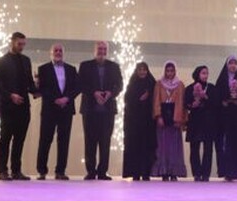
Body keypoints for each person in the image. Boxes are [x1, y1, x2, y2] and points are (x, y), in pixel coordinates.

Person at [0, 31, 36, 181]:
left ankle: (16, 170)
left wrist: (38, 88)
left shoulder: (26, 60)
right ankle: (3, 170)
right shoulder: (0, 62)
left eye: (23, 44)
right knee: (5, 138)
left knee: (19, 140)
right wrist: (11, 96)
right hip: (8, 107)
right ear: (11, 42)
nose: (21, 47)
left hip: (23, 106)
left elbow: (29, 83)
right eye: (19, 44)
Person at [78, 41, 124, 180]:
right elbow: (81, 84)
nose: (102, 51)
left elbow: (120, 85)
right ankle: (91, 171)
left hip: (108, 110)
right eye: (100, 48)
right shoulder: (85, 65)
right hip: (90, 109)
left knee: (105, 142)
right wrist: (94, 93)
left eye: (104, 49)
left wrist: (110, 93)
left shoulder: (114, 66)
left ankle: (103, 171)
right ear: (94, 50)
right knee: (89, 141)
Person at [36, 43, 79, 180]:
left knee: (64, 141)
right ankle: (42, 171)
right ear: (51, 53)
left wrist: (66, 98)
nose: (58, 52)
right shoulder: (43, 69)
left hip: (66, 109)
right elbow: (42, 89)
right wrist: (55, 99)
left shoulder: (71, 69)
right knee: (45, 140)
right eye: (56, 50)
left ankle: (60, 171)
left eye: (60, 50)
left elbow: (76, 87)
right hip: (50, 109)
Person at [214, 55, 237, 182]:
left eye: (235, 63)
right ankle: (228, 172)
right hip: (225, 119)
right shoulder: (221, 80)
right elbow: (217, 96)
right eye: (231, 63)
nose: (233, 65)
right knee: (227, 145)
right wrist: (224, 101)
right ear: (227, 65)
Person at [121, 62, 157, 181]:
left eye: (144, 69)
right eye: (140, 70)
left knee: (147, 147)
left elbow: (156, 101)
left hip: (148, 123)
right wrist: (138, 99)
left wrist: (149, 96)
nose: (142, 72)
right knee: (134, 147)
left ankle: (146, 172)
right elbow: (127, 100)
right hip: (134, 123)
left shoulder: (152, 84)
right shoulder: (132, 85)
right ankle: (135, 172)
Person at [152, 61, 187, 181]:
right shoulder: (159, 84)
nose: (170, 73)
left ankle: (174, 172)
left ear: (175, 71)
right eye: (167, 71)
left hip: (175, 120)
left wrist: (180, 119)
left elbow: (182, 103)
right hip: (163, 119)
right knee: (163, 146)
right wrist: (158, 116)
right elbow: (156, 101)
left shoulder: (180, 85)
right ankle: (164, 171)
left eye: (172, 71)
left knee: (174, 147)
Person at [185, 65, 219, 181]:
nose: (205, 75)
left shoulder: (212, 88)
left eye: (206, 73)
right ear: (197, 74)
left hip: (208, 122)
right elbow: (186, 103)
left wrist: (206, 97)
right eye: (203, 73)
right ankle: (196, 173)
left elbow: (216, 103)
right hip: (195, 122)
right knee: (194, 148)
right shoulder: (190, 88)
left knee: (208, 149)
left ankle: (205, 174)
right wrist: (192, 105)